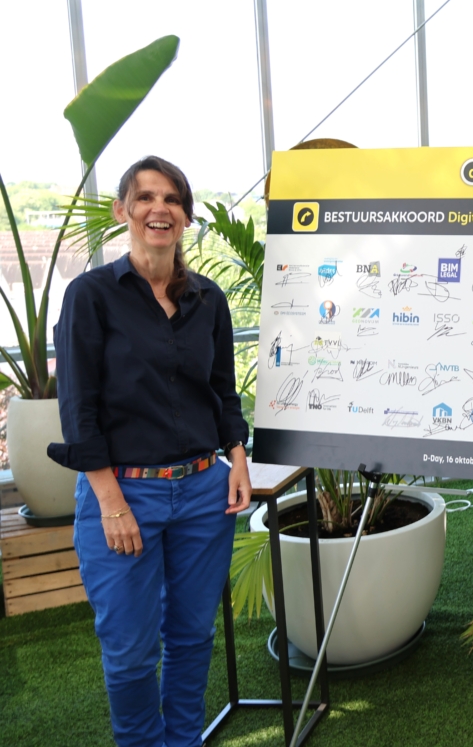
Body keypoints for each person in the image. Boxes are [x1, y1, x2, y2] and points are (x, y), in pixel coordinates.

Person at [48, 156, 251, 747]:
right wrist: (110, 503)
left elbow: (222, 391)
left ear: (185, 216)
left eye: (172, 199)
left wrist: (237, 458)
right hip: (122, 493)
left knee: (192, 638)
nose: (159, 209)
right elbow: (78, 409)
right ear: (123, 211)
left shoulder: (209, 299)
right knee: (131, 652)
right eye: (145, 198)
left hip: (204, 492)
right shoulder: (90, 296)